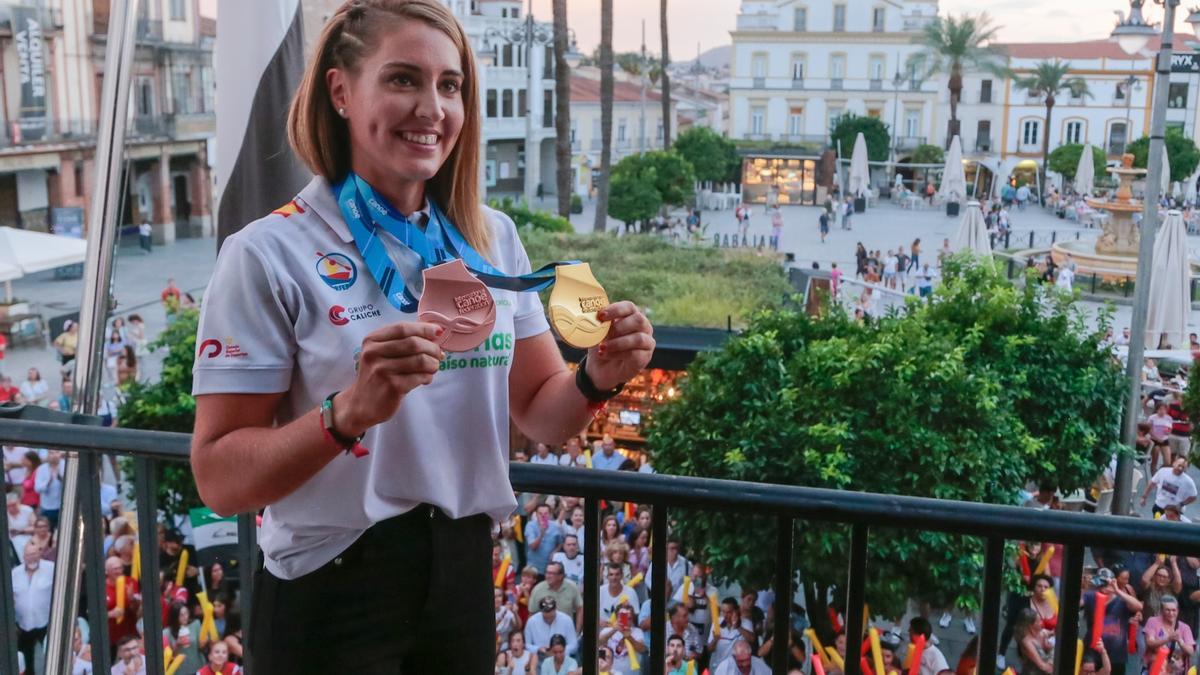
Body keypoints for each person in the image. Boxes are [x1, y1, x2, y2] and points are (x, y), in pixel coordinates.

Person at [188, 2, 654, 671]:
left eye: (450, 84)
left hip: (462, 576)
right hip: (331, 587)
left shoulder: (492, 236)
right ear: (340, 91)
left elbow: (542, 415)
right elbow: (219, 478)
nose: (432, 107)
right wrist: (346, 413)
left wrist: (596, 376)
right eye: (404, 79)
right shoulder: (266, 253)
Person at [1083, 568, 1142, 675]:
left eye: (1107, 583)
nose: (1104, 587)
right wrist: (1086, 586)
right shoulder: (1091, 596)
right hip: (1093, 652)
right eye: (1102, 583)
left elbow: (1138, 606)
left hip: (1116, 655)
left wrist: (1117, 590)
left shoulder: (1121, 600)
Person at [13, 540, 54, 675]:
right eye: (29, 555)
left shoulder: (51, 568)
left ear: (40, 554)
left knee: (51, 656)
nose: (32, 557)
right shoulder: (14, 573)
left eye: (35, 554)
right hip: (23, 624)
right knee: (26, 659)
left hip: (47, 622)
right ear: (24, 557)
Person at [1144, 594, 1196, 669]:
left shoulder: (1185, 627)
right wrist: (1167, 639)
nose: (1171, 613)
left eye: (1173, 610)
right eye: (1167, 610)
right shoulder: (1153, 621)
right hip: (1156, 668)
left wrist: (1180, 642)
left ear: (1177, 611)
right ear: (1162, 611)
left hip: (1175, 670)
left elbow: (1191, 652)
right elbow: (1150, 643)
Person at [530, 561, 583, 629]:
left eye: (552, 573)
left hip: (566, 630)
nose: (548, 576)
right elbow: (532, 613)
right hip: (544, 631)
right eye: (547, 572)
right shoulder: (538, 589)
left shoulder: (572, 587)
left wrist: (577, 631)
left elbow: (580, 608)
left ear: (561, 576)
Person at [710, 597, 757, 669]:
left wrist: (738, 626)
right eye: (723, 612)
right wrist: (715, 640)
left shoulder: (746, 623)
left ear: (736, 611)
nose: (725, 615)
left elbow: (752, 639)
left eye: (728, 612)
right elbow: (709, 649)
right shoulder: (716, 623)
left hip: (737, 669)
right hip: (718, 667)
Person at [601, 603, 647, 674]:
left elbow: (642, 649)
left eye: (629, 618)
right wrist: (614, 630)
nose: (627, 621)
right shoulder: (607, 630)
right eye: (623, 617)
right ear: (616, 617)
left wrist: (629, 637)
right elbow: (598, 643)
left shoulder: (637, 632)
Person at [1014, 607, 1054, 675]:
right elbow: (1042, 666)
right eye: (1038, 621)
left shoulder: (1041, 632)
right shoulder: (1027, 642)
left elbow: (1054, 632)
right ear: (1030, 625)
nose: (1041, 623)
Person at [1147, 405, 1176, 474]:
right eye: (1160, 409)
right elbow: (1149, 430)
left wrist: (1168, 432)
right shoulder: (1152, 418)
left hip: (1164, 440)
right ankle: (1153, 476)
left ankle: (1160, 472)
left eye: (1164, 410)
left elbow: (1170, 429)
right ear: (1157, 410)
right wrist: (1157, 438)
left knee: (1168, 461)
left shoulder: (1169, 418)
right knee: (1155, 460)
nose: (1162, 411)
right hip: (1154, 440)